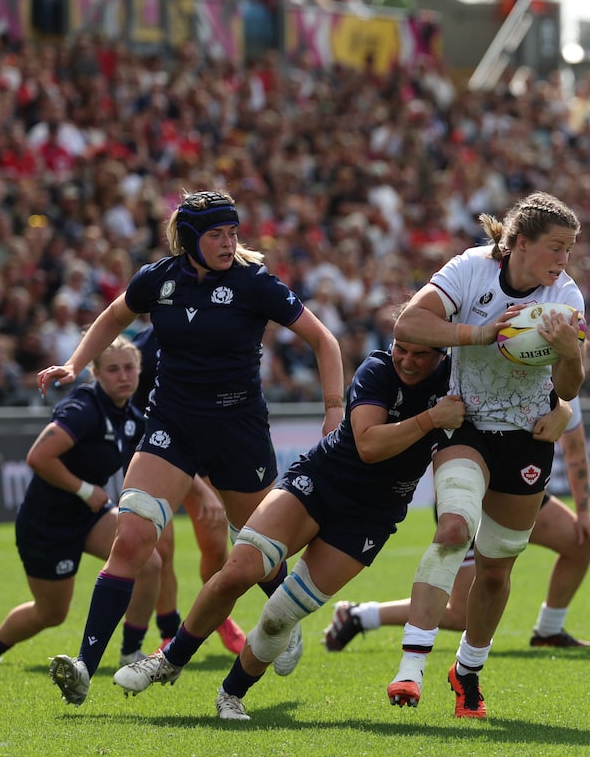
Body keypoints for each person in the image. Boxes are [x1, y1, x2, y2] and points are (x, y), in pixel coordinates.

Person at [37, 189, 344, 707]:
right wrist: (74, 363)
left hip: (238, 430)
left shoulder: (254, 282)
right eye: (217, 235)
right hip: (172, 424)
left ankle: (283, 619)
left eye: (233, 233)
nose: (229, 243)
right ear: (189, 239)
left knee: (257, 549)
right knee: (132, 539)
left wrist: (333, 409)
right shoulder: (158, 279)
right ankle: (85, 665)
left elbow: (324, 341)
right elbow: (113, 317)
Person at [112, 338, 464, 721]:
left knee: (281, 614)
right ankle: (168, 660)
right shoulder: (378, 369)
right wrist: (431, 419)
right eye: (401, 349)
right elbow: (368, 445)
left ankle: (231, 694)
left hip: (372, 515)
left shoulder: (457, 381)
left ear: (442, 354)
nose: (406, 361)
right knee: (240, 570)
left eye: (419, 354)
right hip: (322, 480)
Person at [387, 190, 585, 719]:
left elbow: (569, 386)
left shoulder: (566, 296)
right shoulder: (470, 269)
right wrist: (480, 333)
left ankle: (467, 670)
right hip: (466, 424)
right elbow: (409, 324)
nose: (564, 260)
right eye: (556, 247)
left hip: (527, 438)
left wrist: (569, 353)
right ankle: (411, 667)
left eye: (569, 249)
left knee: (495, 571)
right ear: (520, 243)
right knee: (453, 529)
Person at [323, 397, 590, 651]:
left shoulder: (563, 391)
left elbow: (575, 449)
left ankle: (549, 631)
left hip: (515, 491)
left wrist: (584, 515)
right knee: (463, 613)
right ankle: (360, 616)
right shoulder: (479, 369)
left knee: (580, 541)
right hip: (468, 493)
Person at [0, 337, 162, 667]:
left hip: (89, 515)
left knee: (149, 562)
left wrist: (205, 494)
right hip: (47, 523)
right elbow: (38, 457)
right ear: (96, 373)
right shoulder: (83, 408)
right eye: (113, 369)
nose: (123, 376)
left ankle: (130, 652)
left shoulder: (130, 417)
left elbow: (160, 459)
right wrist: (87, 491)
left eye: (129, 368)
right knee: (51, 613)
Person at [132, 324, 246, 655]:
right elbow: (136, 413)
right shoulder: (141, 350)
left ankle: (216, 614)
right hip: (156, 454)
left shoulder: (213, 331)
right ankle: (170, 631)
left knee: (215, 546)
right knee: (161, 549)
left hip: (203, 453)